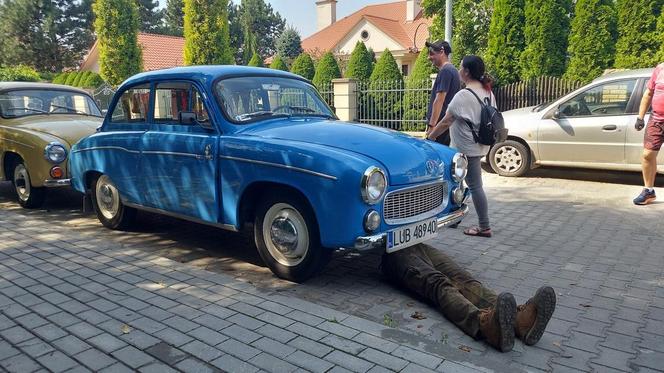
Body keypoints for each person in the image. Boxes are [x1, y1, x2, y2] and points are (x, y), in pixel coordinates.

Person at [382, 244, 556, 352]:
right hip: (392, 253)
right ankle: (483, 323)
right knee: (440, 285)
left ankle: (519, 323)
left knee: (465, 280)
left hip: (418, 242)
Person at [427, 55, 493, 237]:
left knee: (474, 186)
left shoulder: (464, 95)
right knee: (459, 182)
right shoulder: (487, 91)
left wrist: (430, 138)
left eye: (461, 67)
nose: (458, 70)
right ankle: (454, 217)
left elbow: (446, 121)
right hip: (478, 144)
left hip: (465, 148)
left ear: (467, 72)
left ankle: (484, 226)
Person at [633, 62, 664, 205]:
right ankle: (648, 191)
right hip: (656, 120)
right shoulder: (660, 68)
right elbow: (649, 93)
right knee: (647, 155)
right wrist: (640, 117)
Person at [425, 40, 460, 146]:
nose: (429, 57)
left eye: (432, 54)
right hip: (444, 126)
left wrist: (432, 127)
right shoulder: (453, 70)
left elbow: (439, 100)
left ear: (442, 52)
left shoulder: (446, 71)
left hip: (439, 127)